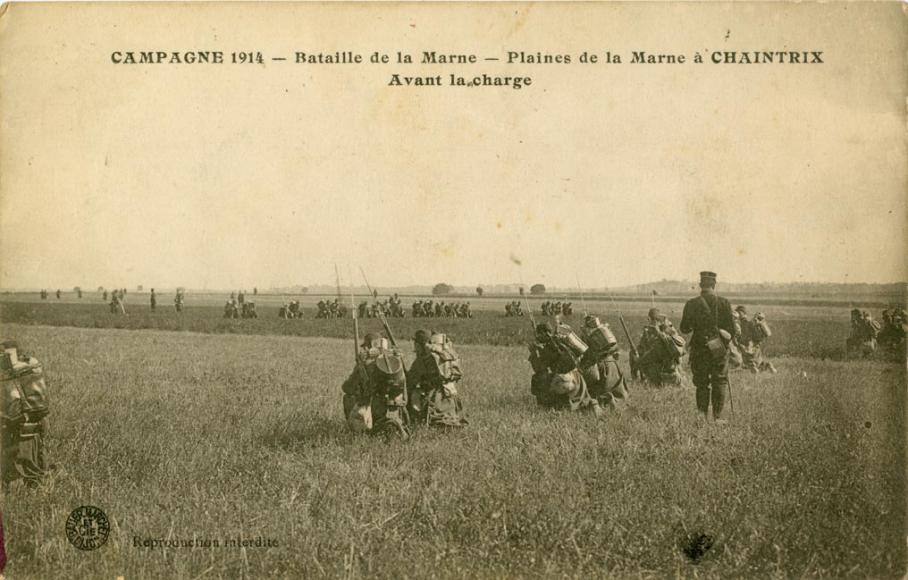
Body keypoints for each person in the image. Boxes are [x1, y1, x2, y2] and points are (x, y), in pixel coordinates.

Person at [680, 271, 736, 424]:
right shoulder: (724, 303)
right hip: (719, 349)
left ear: (700, 285)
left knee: (702, 383)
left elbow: (684, 328)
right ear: (714, 284)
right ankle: (718, 417)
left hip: (699, 349)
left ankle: (702, 417)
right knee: (720, 381)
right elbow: (732, 331)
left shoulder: (691, 304)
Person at [340, 333, 410, 438]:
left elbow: (348, 387)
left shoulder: (366, 365)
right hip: (398, 406)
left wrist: (359, 367)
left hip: (375, 408)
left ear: (368, 347)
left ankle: (360, 433)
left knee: (348, 397)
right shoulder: (396, 362)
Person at [1, 340, 49, 489]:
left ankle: (28, 484)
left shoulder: (18, 371)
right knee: (36, 453)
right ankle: (38, 483)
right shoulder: (32, 364)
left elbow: (13, 399)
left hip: (23, 420)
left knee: (23, 456)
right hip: (35, 419)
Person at [528, 322, 601, 414]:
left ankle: (546, 407)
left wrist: (534, 353)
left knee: (538, 378)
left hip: (566, 381)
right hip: (579, 378)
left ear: (545, 333)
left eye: (539, 334)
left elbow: (540, 369)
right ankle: (588, 405)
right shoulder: (562, 341)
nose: (537, 337)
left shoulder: (549, 347)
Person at [407, 330, 468, 427]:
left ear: (420, 345)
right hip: (451, 399)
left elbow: (409, 381)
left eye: (416, 344)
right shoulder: (442, 356)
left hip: (435, 402)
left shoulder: (422, 361)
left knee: (413, 393)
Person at [578, 315, 630, 409]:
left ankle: (604, 399)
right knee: (620, 392)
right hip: (613, 365)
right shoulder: (606, 333)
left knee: (593, 392)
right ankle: (613, 399)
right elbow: (616, 351)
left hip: (599, 366)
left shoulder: (588, 336)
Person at [632, 308, 685, 386]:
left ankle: (643, 382)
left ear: (650, 319)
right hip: (676, 375)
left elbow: (645, 359)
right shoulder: (671, 333)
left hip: (664, 377)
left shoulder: (657, 342)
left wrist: (637, 359)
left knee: (639, 360)